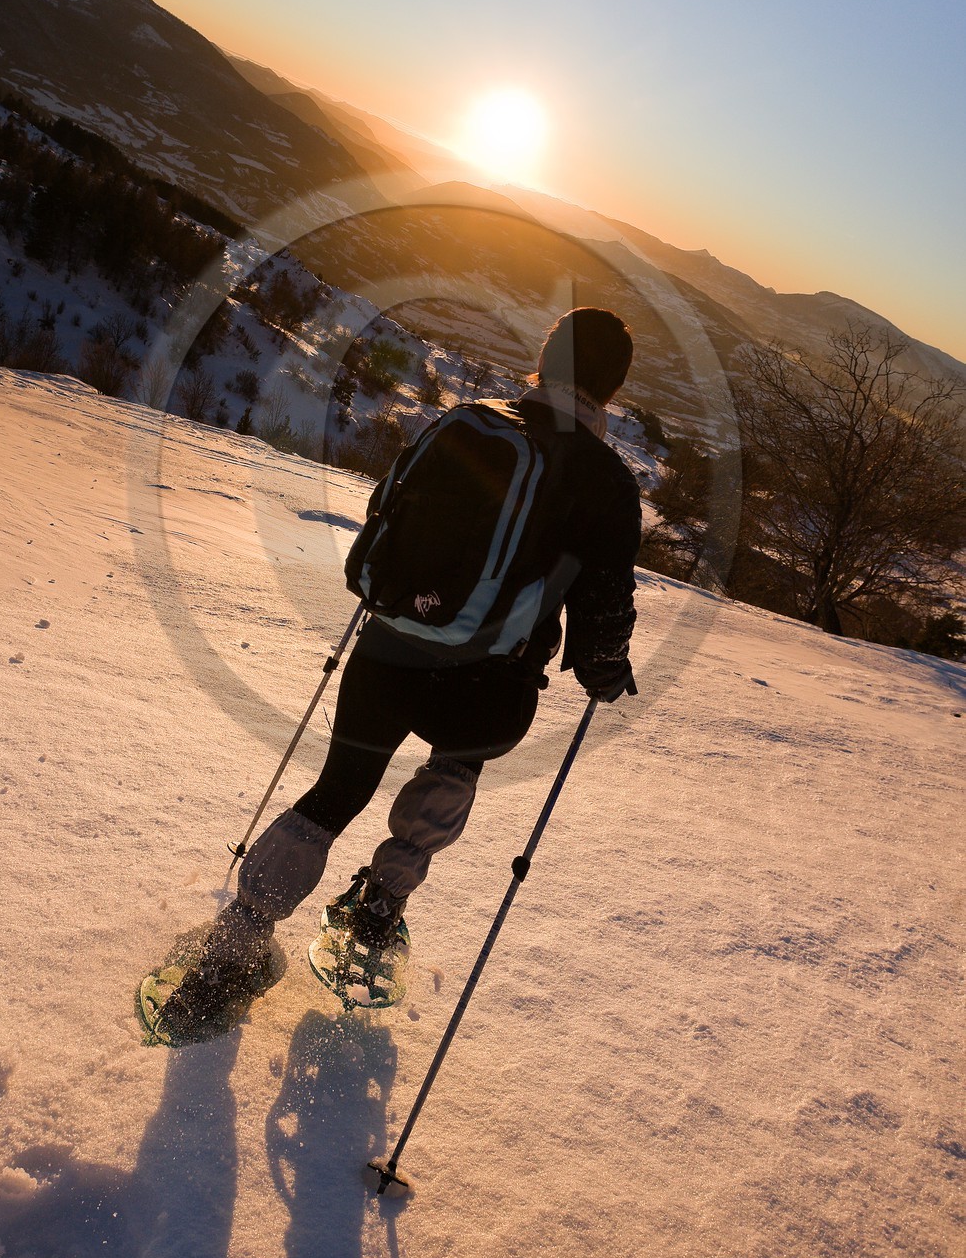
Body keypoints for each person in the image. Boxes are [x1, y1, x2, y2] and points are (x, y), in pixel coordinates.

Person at [158, 306, 642, 1040]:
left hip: (388, 654)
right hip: (491, 690)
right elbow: (604, 607)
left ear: (545, 357)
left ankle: (241, 939)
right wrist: (606, 672)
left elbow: (387, 513)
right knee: (454, 771)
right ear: (612, 387)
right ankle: (378, 908)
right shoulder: (606, 480)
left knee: (336, 792)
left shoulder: (469, 421)